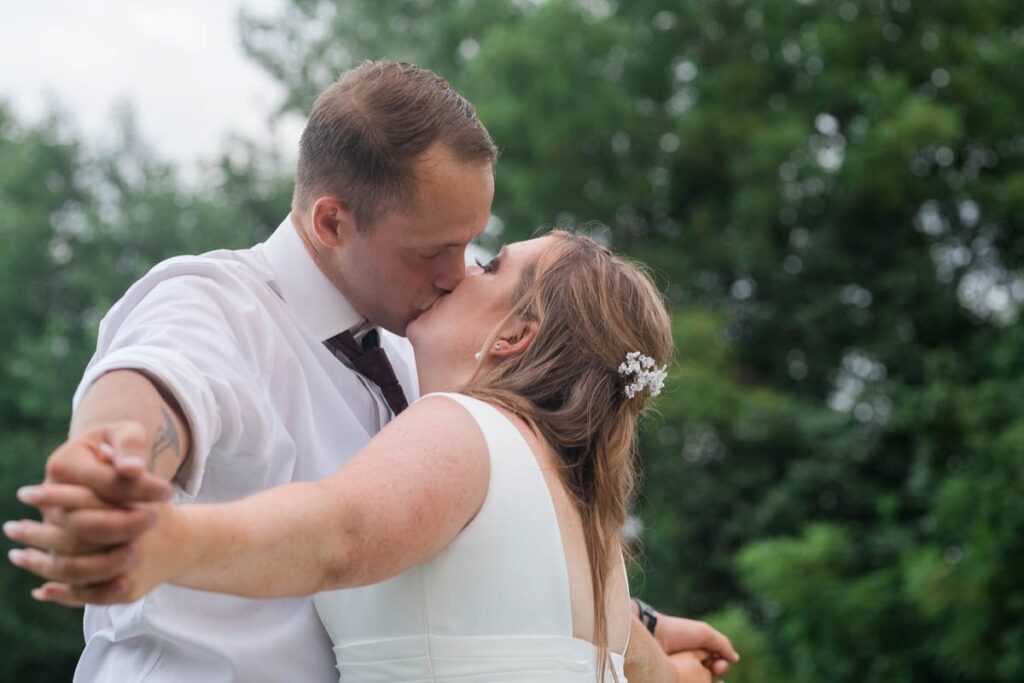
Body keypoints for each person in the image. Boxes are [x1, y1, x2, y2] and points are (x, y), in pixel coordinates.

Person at [4, 61, 737, 681]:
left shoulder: (436, 373)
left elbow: (438, 548)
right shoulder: (217, 301)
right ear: (332, 222)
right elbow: (154, 378)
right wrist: (106, 464)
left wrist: (635, 630)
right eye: (433, 252)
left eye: (474, 248)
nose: (455, 275)